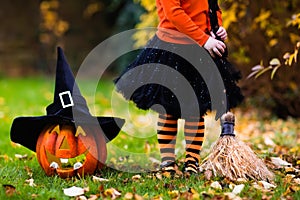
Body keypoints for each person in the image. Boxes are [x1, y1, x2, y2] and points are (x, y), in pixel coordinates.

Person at [114, 0, 244, 174]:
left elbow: (212, 7)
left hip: (200, 50)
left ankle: (192, 159)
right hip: (173, 47)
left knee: (196, 109)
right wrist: (204, 39)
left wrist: (217, 27)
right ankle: (168, 161)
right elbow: (174, 13)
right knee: (168, 109)